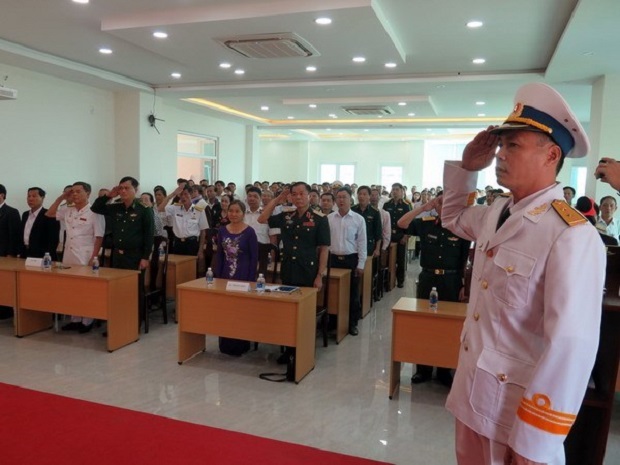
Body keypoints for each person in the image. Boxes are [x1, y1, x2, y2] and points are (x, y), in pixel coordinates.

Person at [441, 82, 605, 465]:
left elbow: (571, 346)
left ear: (551, 155)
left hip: (516, 416)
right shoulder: (497, 211)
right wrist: (466, 171)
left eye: (513, 145)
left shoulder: (570, 234)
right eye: (500, 145)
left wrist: (537, 441)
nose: (499, 154)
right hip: (473, 396)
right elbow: (451, 217)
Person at [397, 195, 470, 387]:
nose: (442, 206)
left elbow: (465, 260)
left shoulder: (460, 228)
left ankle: (444, 370)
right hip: (428, 279)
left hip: (451, 280)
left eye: (447, 203)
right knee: (424, 323)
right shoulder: (425, 223)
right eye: (439, 203)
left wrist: (464, 285)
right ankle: (423, 369)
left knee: (448, 326)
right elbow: (402, 223)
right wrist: (423, 208)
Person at [259, 182, 330, 362]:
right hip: (289, 270)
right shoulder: (286, 215)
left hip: (307, 271)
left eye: (301, 194)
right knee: (290, 313)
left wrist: (319, 276)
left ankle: (303, 351)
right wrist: (277, 200)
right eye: (294, 194)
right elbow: (262, 218)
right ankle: (289, 350)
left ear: (309, 195)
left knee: (305, 314)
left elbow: (323, 249)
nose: (298, 197)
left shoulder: (319, 218)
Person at [46, 182, 105, 333]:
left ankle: (88, 320)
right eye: (73, 192)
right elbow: (49, 213)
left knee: (87, 288)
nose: (75, 194)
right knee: (71, 287)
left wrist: (94, 256)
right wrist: (61, 197)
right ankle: (75, 319)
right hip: (69, 253)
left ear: (88, 193)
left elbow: (98, 237)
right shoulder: (68, 210)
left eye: (78, 191)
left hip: (86, 254)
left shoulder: (95, 212)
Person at [91, 176, 154, 271]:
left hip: (135, 256)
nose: (123, 191)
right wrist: (109, 195)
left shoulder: (144, 209)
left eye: (127, 188)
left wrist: (145, 257)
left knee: (134, 284)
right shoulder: (115, 207)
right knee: (118, 284)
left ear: (135, 190)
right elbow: (95, 208)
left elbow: (149, 235)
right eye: (121, 188)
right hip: (117, 255)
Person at [328, 187, 367, 336]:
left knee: (353, 294)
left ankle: (352, 324)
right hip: (333, 259)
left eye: (344, 197)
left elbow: (362, 243)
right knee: (332, 293)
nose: (341, 200)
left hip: (351, 259)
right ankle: (332, 321)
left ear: (350, 199)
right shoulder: (329, 218)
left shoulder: (358, 219)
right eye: (338, 197)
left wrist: (361, 264)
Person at [158, 185, 208, 261]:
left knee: (191, 269)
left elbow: (203, 231)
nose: (183, 197)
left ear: (191, 195)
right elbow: (160, 208)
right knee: (177, 269)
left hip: (192, 244)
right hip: (178, 243)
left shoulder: (199, 210)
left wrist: (200, 250)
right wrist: (173, 194)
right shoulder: (175, 208)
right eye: (181, 195)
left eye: (186, 194)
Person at [214, 200, 258, 282]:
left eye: (237, 211)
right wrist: (218, 276)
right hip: (225, 274)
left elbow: (254, 258)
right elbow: (220, 255)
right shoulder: (222, 231)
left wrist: (251, 279)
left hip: (244, 275)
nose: (233, 214)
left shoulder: (250, 232)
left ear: (243, 214)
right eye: (230, 211)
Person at [382, 183, 411, 288]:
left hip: (400, 236)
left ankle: (400, 280)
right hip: (388, 236)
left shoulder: (405, 205)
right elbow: (383, 221)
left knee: (400, 259)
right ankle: (387, 280)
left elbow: (410, 221)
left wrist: (406, 236)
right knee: (387, 259)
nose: (394, 192)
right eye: (393, 189)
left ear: (402, 191)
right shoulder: (387, 204)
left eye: (397, 190)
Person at [19, 187, 60, 260]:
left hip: (42, 255)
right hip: (25, 253)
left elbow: (53, 240)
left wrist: (47, 257)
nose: (30, 199)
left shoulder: (49, 214)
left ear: (42, 198)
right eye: (29, 196)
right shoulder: (25, 214)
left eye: (34, 196)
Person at [0, 184, 21, 257]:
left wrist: (11, 253)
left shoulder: (12, 212)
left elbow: (14, 235)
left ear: (2, 195)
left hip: (3, 253)